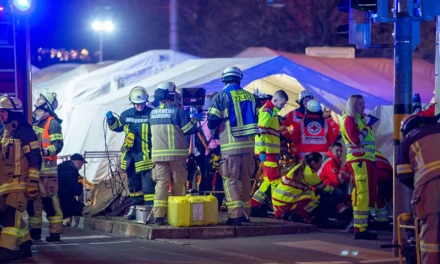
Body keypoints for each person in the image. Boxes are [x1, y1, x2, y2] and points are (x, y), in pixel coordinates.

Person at [208, 66, 259, 226]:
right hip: (249, 146)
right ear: (239, 78)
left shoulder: (221, 96)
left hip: (231, 145)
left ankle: (235, 216)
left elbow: (211, 121)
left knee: (230, 180)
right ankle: (245, 214)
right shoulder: (251, 96)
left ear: (224, 79)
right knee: (245, 179)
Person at [149, 82, 202, 225]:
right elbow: (188, 130)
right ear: (170, 95)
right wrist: (195, 120)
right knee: (178, 184)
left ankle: (158, 217)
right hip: (176, 156)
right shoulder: (178, 112)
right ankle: (176, 216)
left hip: (158, 156)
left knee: (161, 185)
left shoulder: (152, 113)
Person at [0, 95, 42, 262]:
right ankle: (25, 246)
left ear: (13, 113)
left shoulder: (25, 131)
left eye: (3, 111)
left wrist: (32, 182)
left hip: (20, 183)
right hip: (5, 185)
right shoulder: (5, 132)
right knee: (8, 216)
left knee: (11, 215)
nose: (0, 114)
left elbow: (34, 158)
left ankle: (5, 251)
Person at [106, 86, 156, 220]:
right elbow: (117, 127)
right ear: (132, 102)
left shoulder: (152, 113)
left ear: (146, 101)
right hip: (131, 157)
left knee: (148, 187)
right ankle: (136, 209)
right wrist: (111, 120)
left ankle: (151, 213)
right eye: (136, 103)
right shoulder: (126, 115)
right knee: (134, 186)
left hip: (146, 157)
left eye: (141, 103)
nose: (139, 106)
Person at [397, 114, 440, 264]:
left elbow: (403, 175)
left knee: (431, 231)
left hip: (430, 185)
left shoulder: (408, 139)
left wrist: (418, 189)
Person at [339, 94, 379, 240]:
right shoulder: (349, 119)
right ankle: (359, 228)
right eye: (360, 104)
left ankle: (361, 226)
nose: (363, 106)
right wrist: (367, 127)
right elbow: (355, 140)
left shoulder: (358, 119)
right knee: (362, 194)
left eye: (363, 103)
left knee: (367, 194)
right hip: (359, 161)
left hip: (365, 160)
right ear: (353, 106)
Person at [28, 89, 64, 242]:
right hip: (35, 170)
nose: (37, 100)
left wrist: (42, 151)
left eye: (41, 99)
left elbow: (58, 145)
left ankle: (55, 233)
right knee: (33, 201)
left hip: (48, 172)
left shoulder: (53, 123)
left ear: (47, 105)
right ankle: (35, 232)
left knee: (50, 202)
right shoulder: (35, 121)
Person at [250, 90, 289, 217]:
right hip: (268, 153)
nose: (283, 106)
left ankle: (255, 203)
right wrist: (262, 151)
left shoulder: (271, 112)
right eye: (282, 104)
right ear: (276, 100)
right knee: (275, 181)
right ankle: (277, 209)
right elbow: (260, 131)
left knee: (268, 181)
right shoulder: (268, 111)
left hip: (270, 153)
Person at [272, 152, 336, 223]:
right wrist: (334, 190)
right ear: (313, 163)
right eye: (320, 163)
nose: (320, 166)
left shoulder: (300, 166)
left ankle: (287, 214)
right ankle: (299, 216)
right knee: (316, 197)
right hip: (285, 201)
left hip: (277, 200)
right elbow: (322, 187)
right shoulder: (309, 173)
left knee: (308, 192)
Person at [280, 90, 314, 157]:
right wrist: (290, 137)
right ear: (301, 101)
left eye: (310, 101)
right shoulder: (293, 114)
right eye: (306, 100)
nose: (308, 103)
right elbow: (282, 128)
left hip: (311, 151)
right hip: (298, 151)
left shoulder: (314, 115)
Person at [57, 153, 88, 220]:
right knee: (82, 208)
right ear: (78, 161)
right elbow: (77, 191)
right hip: (64, 203)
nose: (81, 167)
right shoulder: (71, 173)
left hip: (55, 201)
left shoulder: (61, 167)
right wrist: (80, 183)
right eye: (81, 164)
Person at [374, 150, 392, 229]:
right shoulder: (377, 152)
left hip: (377, 171)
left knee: (367, 195)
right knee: (380, 196)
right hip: (388, 172)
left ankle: (380, 221)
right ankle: (383, 220)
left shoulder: (359, 152)